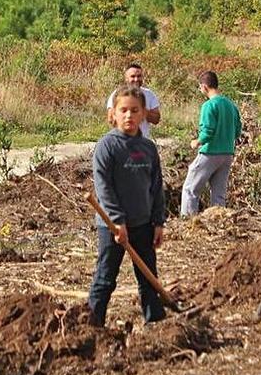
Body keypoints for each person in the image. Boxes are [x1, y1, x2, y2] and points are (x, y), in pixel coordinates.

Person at [89, 85, 167, 327]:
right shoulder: (107, 146)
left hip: (143, 223)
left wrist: (158, 222)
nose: (129, 116)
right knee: (106, 277)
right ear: (113, 113)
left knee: (147, 276)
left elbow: (156, 187)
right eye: (123, 110)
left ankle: (154, 321)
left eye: (135, 111)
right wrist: (117, 221)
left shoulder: (148, 148)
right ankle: (92, 324)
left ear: (143, 114)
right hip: (112, 228)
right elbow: (104, 188)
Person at [180, 71, 242, 216]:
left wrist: (197, 141)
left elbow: (208, 131)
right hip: (227, 154)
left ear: (204, 86)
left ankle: (187, 222)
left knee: (190, 189)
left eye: (200, 87)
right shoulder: (231, 105)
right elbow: (238, 130)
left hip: (210, 152)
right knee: (219, 194)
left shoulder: (208, 106)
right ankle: (219, 222)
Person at [105, 63, 161, 139]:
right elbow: (111, 119)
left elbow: (156, 119)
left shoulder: (149, 95)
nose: (136, 79)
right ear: (126, 78)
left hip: (142, 140)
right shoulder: (118, 94)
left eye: (139, 76)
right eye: (133, 76)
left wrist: (141, 111)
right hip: (121, 141)